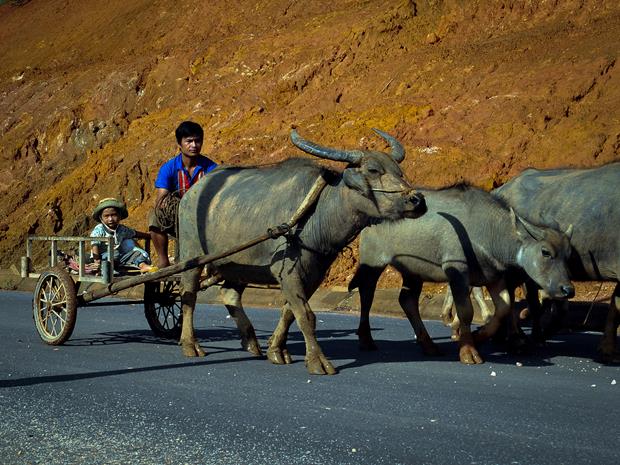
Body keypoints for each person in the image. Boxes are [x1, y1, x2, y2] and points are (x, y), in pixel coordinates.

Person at [149, 121, 218, 268]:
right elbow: (161, 199)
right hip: (177, 217)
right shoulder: (169, 168)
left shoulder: (211, 167)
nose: (194, 145)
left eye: (197, 141)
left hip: (203, 218)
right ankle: (163, 261)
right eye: (189, 141)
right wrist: (179, 209)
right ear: (179, 144)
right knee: (155, 216)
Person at [91, 198, 156, 273]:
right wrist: (96, 261)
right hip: (104, 257)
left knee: (137, 253)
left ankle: (143, 265)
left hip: (119, 256)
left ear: (119, 216)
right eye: (106, 216)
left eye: (114, 215)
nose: (110, 219)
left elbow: (134, 233)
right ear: (101, 218)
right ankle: (107, 268)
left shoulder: (122, 229)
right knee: (114, 254)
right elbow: (94, 244)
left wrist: (150, 235)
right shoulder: (99, 229)